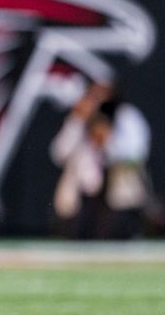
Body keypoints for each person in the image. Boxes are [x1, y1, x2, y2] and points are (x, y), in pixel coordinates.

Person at [50, 83, 152, 239]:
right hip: (83, 192)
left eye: (104, 93)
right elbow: (59, 154)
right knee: (75, 232)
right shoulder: (79, 118)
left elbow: (137, 155)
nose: (99, 98)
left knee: (116, 233)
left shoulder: (126, 116)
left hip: (117, 191)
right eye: (94, 93)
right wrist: (77, 121)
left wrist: (108, 142)